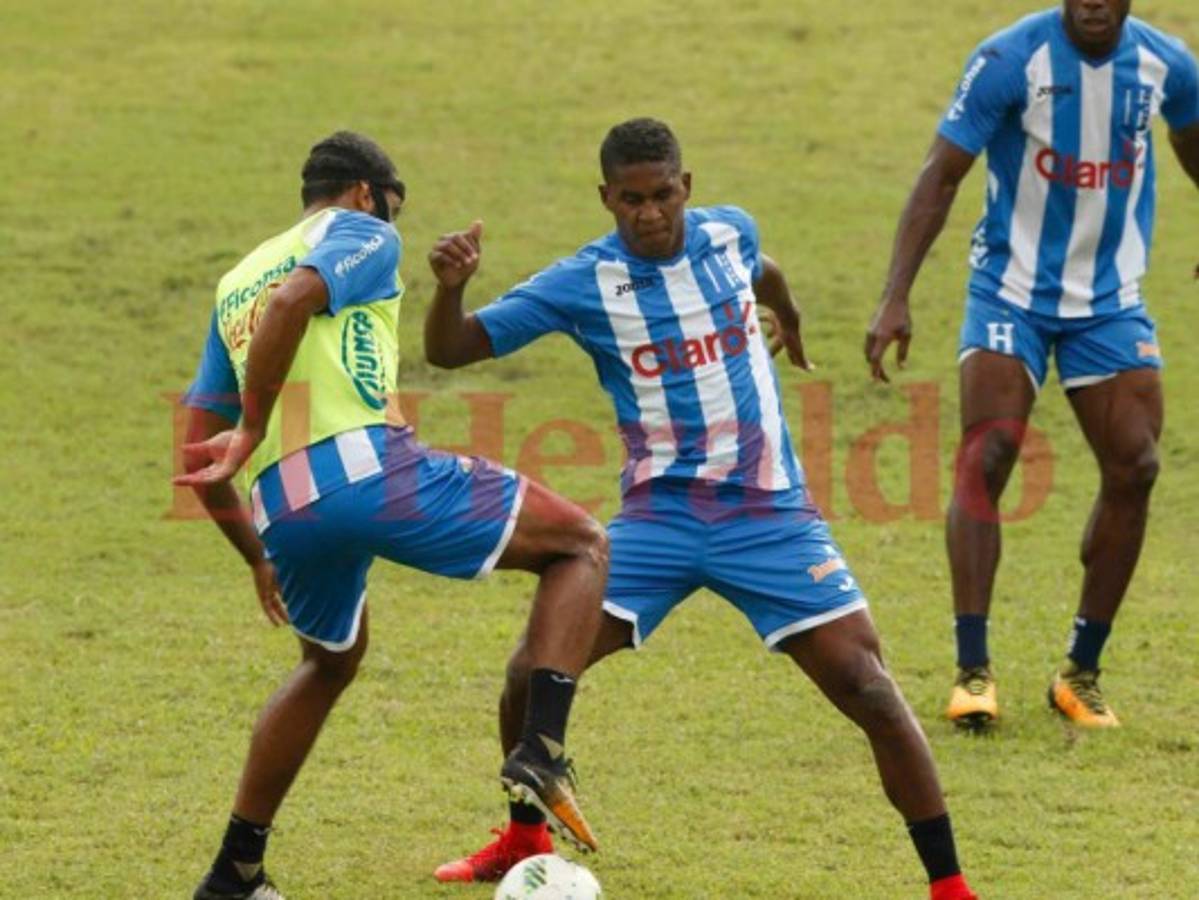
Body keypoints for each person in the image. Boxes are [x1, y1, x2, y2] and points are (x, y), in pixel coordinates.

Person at [424, 118, 978, 900]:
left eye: (661, 196)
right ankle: (521, 840)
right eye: (630, 200)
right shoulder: (581, 282)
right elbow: (452, 351)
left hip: (770, 515)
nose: (648, 213)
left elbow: (764, 267)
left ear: (686, 187)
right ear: (606, 198)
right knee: (528, 674)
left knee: (870, 690)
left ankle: (951, 889)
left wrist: (786, 316)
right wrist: (451, 289)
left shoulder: (728, 233)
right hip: (659, 519)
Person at [175, 131, 608, 900]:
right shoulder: (362, 233)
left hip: (283, 509)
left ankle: (235, 870)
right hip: (367, 473)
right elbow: (293, 302)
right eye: (394, 212)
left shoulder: (235, 281)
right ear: (367, 194)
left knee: (327, 662)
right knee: (579, 543)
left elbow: (190, 449)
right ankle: (539, 748)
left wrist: (254, 555)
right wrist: (251, 424)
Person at [865, 0, 1199, 730]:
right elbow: (940, 175)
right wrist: (895, 296)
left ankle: (1080, 672)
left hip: (1108, 300)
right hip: (1008, 293)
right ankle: (972, 670)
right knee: (988, 456)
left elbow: (1192, 135)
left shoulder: (1165, 65)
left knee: (1135, 466)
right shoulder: (1009, 59)